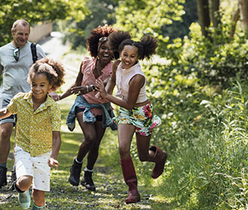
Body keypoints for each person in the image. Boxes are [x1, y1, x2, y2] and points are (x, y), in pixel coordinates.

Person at [0, 57, 65, 209]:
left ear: (50, 86)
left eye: (42, 85)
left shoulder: (53, 108)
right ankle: (21, 191)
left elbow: (56, 137)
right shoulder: (20, 100)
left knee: (39, 198)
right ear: (30, 83)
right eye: (34, 85)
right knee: (24, 182)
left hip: (43, 153)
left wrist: (53, 157)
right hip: (23, 148)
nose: (37, 89)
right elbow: (5, 111)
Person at [95, 31, 167, 204]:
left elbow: (128, 103)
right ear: (119, 52)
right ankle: (133, 189)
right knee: (123, 148)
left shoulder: (137, 77)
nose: (127, 59)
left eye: (132, 57)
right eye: (125, 54)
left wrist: (105, 95)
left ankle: (160, 157)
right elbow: (113, 79)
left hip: (141, 112)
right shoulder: (117, 64)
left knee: (143, 155)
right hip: (126, 113)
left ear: (138, 58)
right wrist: (108, 91)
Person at [0, 19, 49, 188]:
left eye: (26, 34)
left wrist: (48, 94)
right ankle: (1, 171)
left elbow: (48, 71)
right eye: (20, 34)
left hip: (28, 99)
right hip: (7, 97)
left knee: (22, 137)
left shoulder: (35, 50)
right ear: (12, 32)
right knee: (4, 132)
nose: (23, 38)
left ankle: (18, 171)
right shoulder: (2, 52)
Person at [57, 25, 119, 191]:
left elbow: (107, 87)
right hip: (83, 104)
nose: (107, 51)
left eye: (111, 49)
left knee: (96, 144)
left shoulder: (114, 68)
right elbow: (77, 85)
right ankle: (76, 165)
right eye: (103, 48)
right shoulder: (85, 62)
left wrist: (90, 88)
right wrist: (60, 97)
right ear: (96, 48)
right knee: (90, 137)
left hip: (102, 107)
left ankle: (88, 174)